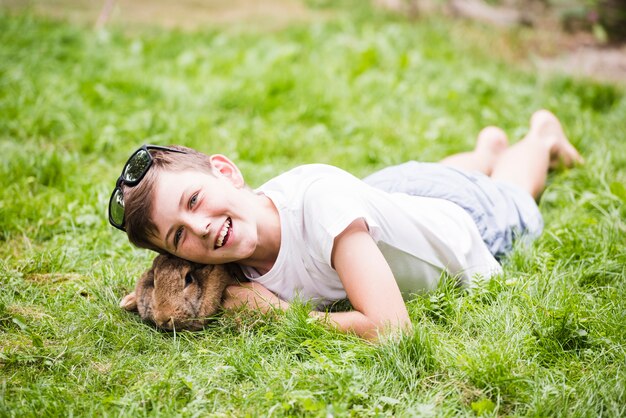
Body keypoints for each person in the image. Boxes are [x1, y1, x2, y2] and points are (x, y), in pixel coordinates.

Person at [108, 109, 582, 340]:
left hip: (463, 220)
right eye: (180, 236)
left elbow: (392, 328)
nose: (202, 228)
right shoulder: (231, 244)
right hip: (389, 197)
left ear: (227, 172)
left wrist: (276, 315)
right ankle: (484, 150)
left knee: (514, 195)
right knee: (416, 187)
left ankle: (538, 137)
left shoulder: (321, 206)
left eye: (195, 199)